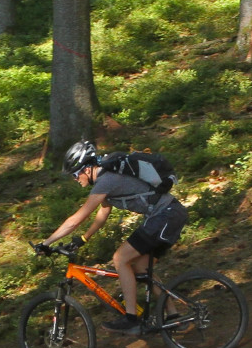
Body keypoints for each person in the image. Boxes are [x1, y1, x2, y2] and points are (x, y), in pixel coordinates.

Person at [38, 139, 188, 334]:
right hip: (169, 215)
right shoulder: (107, 179)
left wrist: (46, 243)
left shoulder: (106, 181)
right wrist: (84, 238)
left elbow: (76, 219)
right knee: (141, 267)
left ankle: (131, 318)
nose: (75, 179)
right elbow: (103, 213)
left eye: (76, 173)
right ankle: (174, 316)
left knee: (120, 258)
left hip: (166, 216)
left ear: (88, 168)